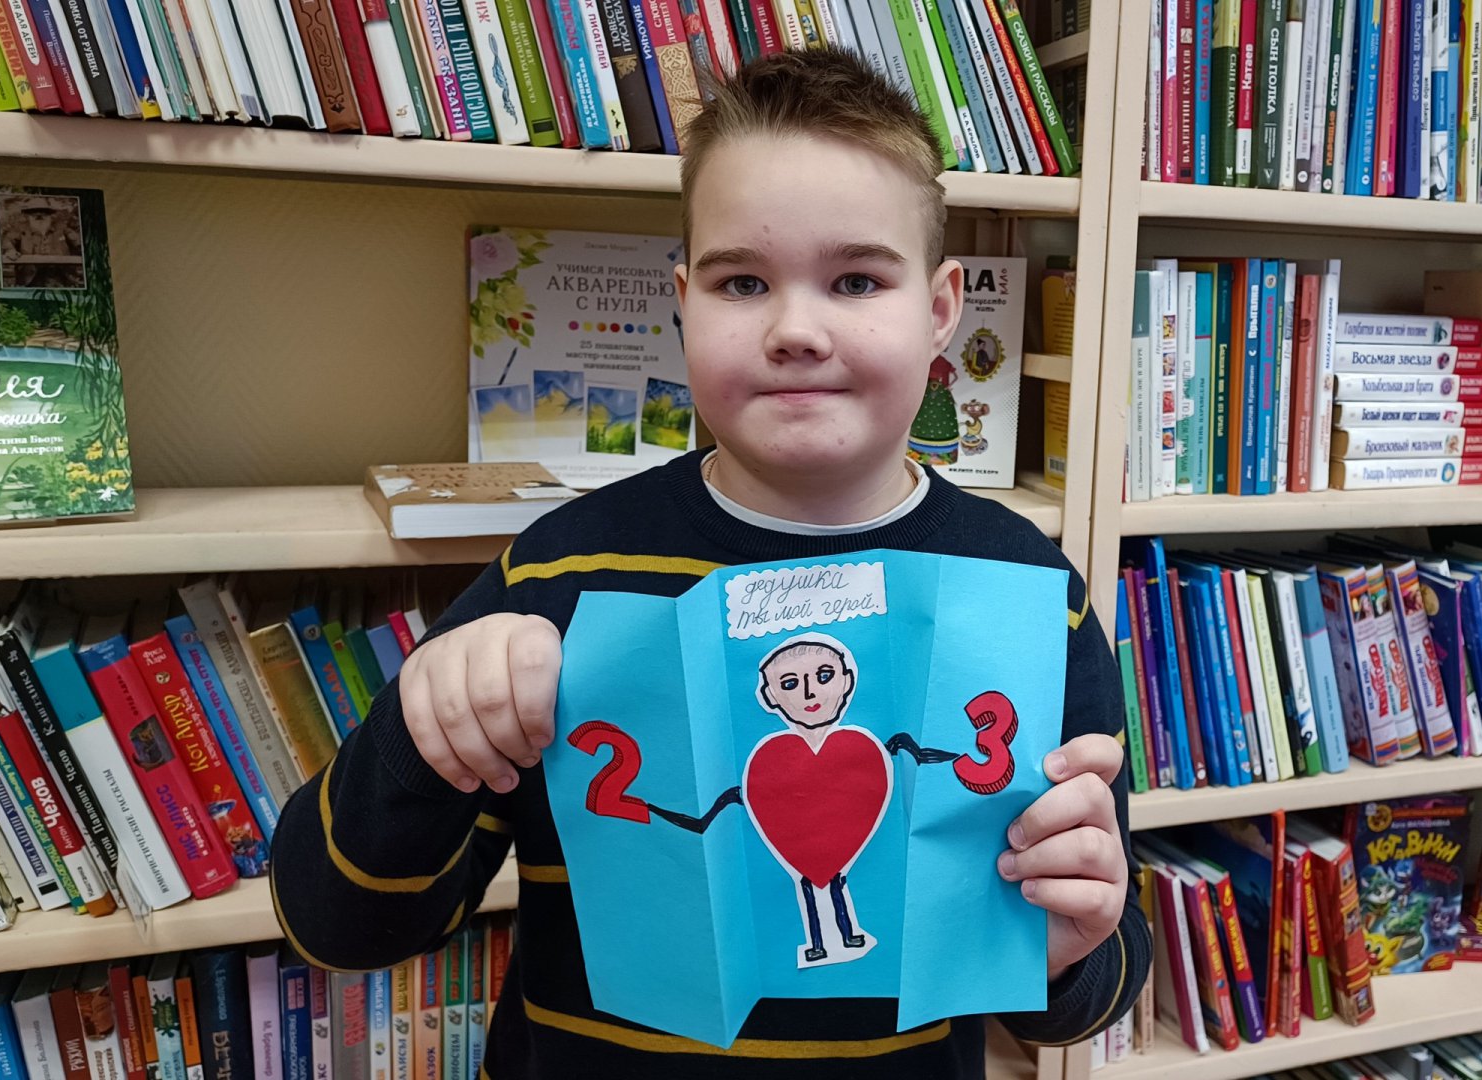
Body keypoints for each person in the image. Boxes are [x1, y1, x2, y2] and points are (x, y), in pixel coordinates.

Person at [271, 48, 1148, 1078]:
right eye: (742, 282)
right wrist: (420, 735)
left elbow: (1095, 977)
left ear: (942, 307)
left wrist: (1066, 952)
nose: (796, 330)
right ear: (684, 302)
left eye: (857, 280)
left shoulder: (1027, 599)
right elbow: (336, 927)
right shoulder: (557, 577)